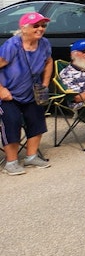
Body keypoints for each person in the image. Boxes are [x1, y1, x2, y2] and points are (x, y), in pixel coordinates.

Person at [0, 12, 54, 175]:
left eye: (43, 26)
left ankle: (31, 156)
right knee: (12, 121)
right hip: (9, 94)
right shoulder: (12, 46)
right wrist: (1, 89)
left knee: (37, 121)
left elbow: (49, 61)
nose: (40, 29)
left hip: (32, 92)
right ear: (23, 28)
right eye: (35, 25)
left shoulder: (44, 44)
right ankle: (11, 162)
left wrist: (44, 84)